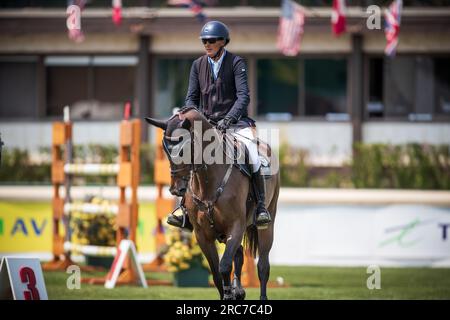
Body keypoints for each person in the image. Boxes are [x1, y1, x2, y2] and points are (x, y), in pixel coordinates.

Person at [167, 20, 271, 230]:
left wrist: (228, 120)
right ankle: (184, 210)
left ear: (223, 41)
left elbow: (243, 98)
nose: (207, 44)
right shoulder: (197, 65)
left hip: (236, 123)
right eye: (204, 41)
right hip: (208, 125)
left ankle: (260, 206)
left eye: (211, 40)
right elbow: (191, 99)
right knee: (189, 155)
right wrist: (191, 117)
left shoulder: (236, 63)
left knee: (251, 150)